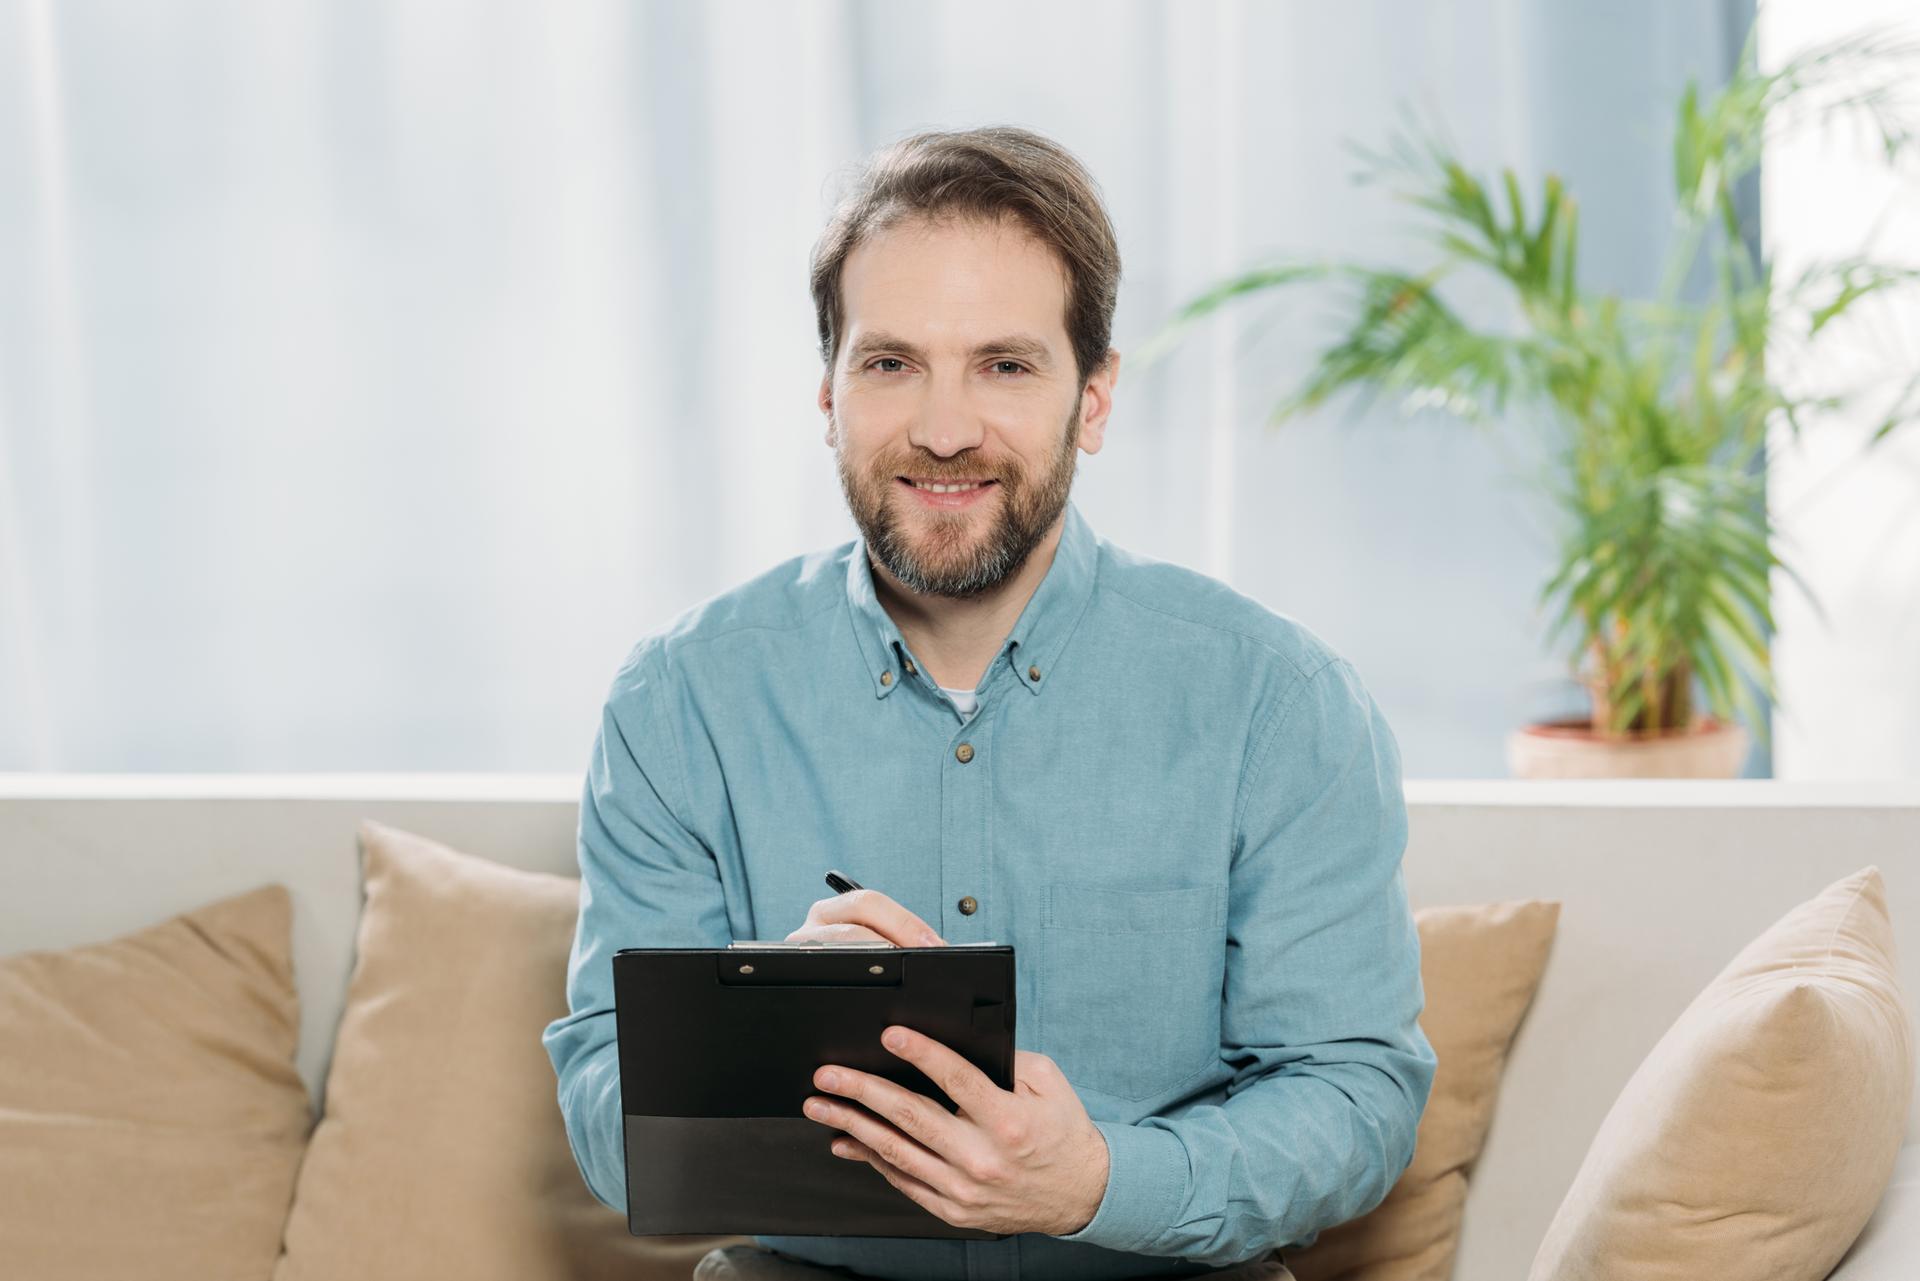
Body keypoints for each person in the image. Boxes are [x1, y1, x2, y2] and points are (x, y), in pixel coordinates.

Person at [543, 125, 1436, 1281]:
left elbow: (1356, 1095)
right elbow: (605, 1102)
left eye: (1005, 365)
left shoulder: (1278, 703)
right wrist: (764, 1024)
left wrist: (1098, 1183)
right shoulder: (679, 700)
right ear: (828, 394)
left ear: (1095, 398)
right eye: (891, 363)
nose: (945, 428)